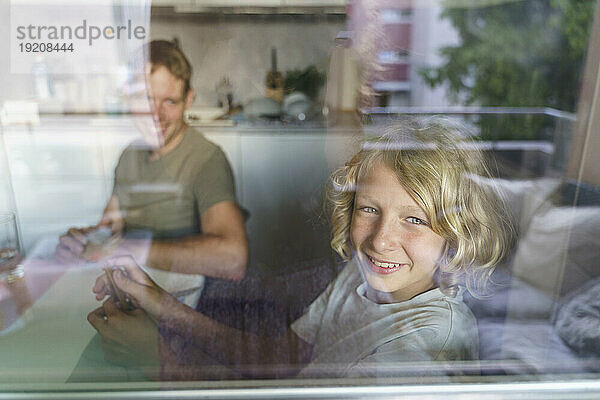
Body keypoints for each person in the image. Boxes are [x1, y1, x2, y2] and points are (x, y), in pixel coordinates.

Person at [88, 118, 513, 379]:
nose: (381, 239)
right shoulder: (362, 276)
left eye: (415, 219)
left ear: (456, 234)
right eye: (369, 209)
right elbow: (284, 359)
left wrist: (157, 362)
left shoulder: (422, 347)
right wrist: (160, 303)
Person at [55, 40, 248, 281]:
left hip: (175, 298)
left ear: (188, 100)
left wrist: (129, 249)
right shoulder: (129, 155)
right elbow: (109, 228)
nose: (156, 115)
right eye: (145, 100)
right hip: (130, 287)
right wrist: (81, 242)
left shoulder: (207, 159)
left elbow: (233, 259)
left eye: (170, 101)